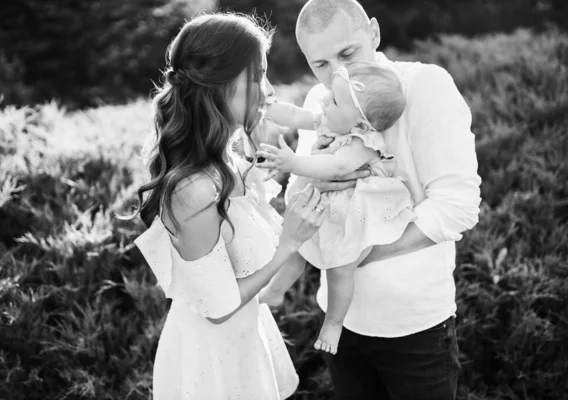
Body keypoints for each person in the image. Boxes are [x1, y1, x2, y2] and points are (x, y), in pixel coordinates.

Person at [283, 0, 482, 399]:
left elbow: (458, 206)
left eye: (347, 53)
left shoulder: (426, 86)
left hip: (415, 324)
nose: (336, 73)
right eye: (320, 65)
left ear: (373, 32)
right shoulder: (319, 104)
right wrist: (320, 164)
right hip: (341, 320)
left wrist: (357, 254)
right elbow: (297, 202)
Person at [131, 13, 329, 399]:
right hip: (210, 359)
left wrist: (316, 170)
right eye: (258, 76)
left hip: (244, 337)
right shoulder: (193, 188)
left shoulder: (229, 160)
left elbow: (247, 234)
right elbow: (217, 306)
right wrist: (289, 243)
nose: (269, 91)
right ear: (219, 86)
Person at [256, 62, 416, 355]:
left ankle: (334, 323)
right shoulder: (331, 120)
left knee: (340, 270)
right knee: (296, 249)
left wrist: (293, 162)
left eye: (334, 101)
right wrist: (265, 108)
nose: (324, 101)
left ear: (360, 123)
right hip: (326, 208)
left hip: (351, 219)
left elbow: (337, 165)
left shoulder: (364, 142)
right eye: (330, 95)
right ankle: (276, 292)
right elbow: (294, 115)